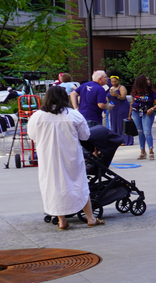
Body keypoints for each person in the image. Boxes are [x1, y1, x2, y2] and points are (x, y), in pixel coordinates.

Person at [26, 87, 103, 230]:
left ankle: (61, 221)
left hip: (48, 157)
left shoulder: (37, 116)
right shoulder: (73, 115)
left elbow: (32, 135)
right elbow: (85, 136)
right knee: (79, 184)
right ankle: (90, 218)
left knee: (54, 185)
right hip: (70, 156)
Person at [129, 75, 156, 160]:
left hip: (147, 112)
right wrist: (129, 115)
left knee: (147, 131)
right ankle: (142, 151)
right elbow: (132, 103)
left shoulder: (152, 92)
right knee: (140, 132)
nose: (149, 81)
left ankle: (151, 151)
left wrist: (152, 109)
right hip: (136, 112)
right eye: (146, 80)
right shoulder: (135, 91)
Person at [105, 75, 131, 145]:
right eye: (112, 81)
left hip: (122, 107)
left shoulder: (121, 87)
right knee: (114, 123)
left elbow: (123, 97)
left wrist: (116, 95)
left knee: (121, 123)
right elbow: (107, 97)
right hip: (113, 108)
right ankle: (116, 140)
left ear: (118, 81)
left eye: (115, 81)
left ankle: (124, 140)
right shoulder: (111, 88)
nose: (113, 83)